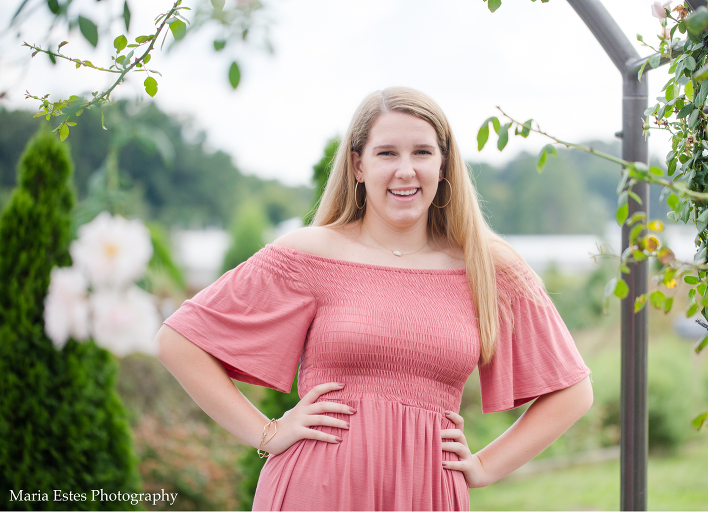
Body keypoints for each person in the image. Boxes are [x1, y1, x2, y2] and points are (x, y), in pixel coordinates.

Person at [156, 86, 593, 511]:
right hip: (315, 489)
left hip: (427, 494)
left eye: (422, 152)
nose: (406, 170)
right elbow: (179, 342)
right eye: (387, 153)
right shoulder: (311, 252)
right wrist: (267, 433)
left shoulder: (486, 265)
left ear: (443, 166)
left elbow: (573, 392)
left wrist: (484, 465)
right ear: (358, 165)